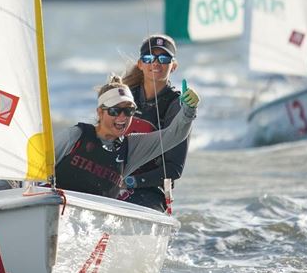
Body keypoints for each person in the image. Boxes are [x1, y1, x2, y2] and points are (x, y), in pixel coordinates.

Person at [53, 75, 199, 202]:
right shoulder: (75, 135)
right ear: (100, 112)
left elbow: (173, 135)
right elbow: (38, 167)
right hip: (59, 206)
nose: (122, 117)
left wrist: (188, 110)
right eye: (115, 110)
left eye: (129, 110)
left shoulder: (131, 148)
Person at [118, 35, 189, 211]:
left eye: (164, 59)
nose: (155, 63)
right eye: (149, 58)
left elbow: (174, 169)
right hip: (111, 180)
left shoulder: (177, 106)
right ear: (140, 64)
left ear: (173, 66)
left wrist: (130, 182)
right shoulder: (123, 96)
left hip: (149, 190)